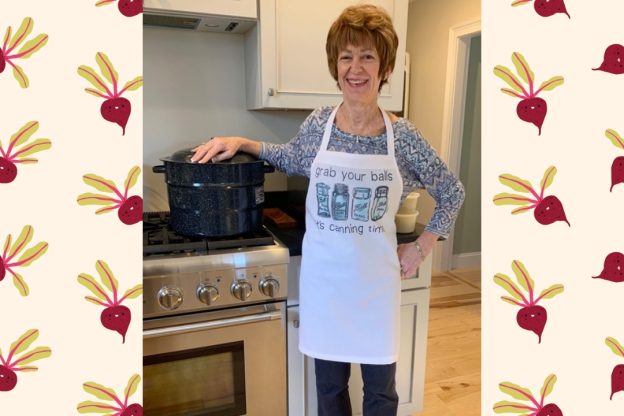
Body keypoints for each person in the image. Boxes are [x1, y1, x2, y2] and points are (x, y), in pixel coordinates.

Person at [191, 4, 464, 415]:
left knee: (380, 395)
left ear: (385, 66)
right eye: (346, 56)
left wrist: (422, 246)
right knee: (330, 392)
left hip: (376, 290)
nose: (355, 68)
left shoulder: (402, 137)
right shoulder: (319, 124)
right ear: (335, 66)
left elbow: (452, 191)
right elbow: (291, 156)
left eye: (368, 56)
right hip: (326, 287)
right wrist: (243, 141)